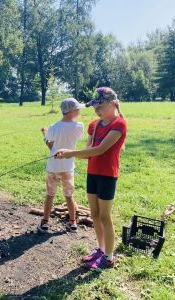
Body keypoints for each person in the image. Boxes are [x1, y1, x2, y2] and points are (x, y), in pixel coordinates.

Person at [54, 87, 127, 269]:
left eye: (100, 105)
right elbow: (88, 153)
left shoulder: (119, 124)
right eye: (95, 106)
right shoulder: (94, 125)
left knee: (105, 216)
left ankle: (109, 257)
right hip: (92, 173)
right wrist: (66, 152)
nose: (96, 109)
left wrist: (71, 153)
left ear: (112, 103)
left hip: (108, 176)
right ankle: (101, 249)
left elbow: (100, 150)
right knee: (94, 214)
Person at [38, 98, 85, 233]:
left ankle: (45, 222)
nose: (79, 111)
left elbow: (51, 146)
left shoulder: (53, 127)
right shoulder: (79, 126)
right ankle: (73, 222)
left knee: (50, 195)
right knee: (69, 196)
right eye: (77, 109)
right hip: (68, 167)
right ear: (71, 111)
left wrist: (44, 135)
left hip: (53, 167)